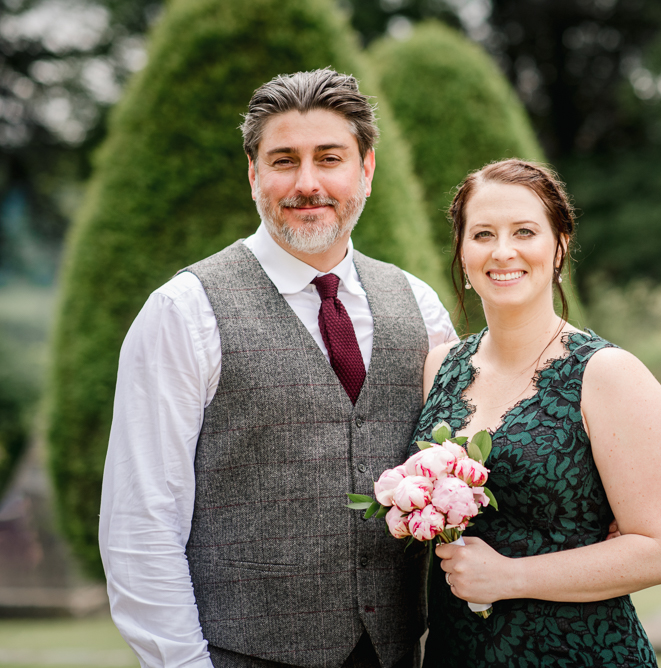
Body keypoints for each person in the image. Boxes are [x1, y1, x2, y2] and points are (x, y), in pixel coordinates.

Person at [98, 68, 456, 668]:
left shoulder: (418, 306)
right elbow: (141, 523)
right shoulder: (184, 312)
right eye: (284, 160)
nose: (307, 183)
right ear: (254, 174)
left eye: (330, 158)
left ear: (366, 170)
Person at [411, 159, 661, 666]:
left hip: (578, 652)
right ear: (462, 252)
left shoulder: (608, 375)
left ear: (559, 246)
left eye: (524, 232)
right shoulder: (440, 368)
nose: (502, 251)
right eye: (482, 234)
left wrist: (510, 577)